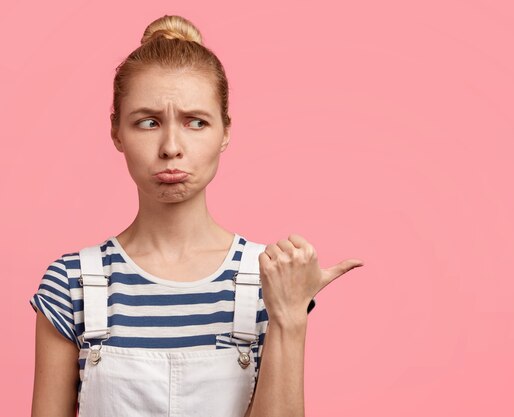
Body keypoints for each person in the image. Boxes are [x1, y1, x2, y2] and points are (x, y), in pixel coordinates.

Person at [29, 14, 364, 417]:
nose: (171, 146)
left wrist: (290, 317)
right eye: (148, 122)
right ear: (117, 131)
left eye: (196, 122)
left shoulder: (269, 277)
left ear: (225, 131)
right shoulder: (72, 284)